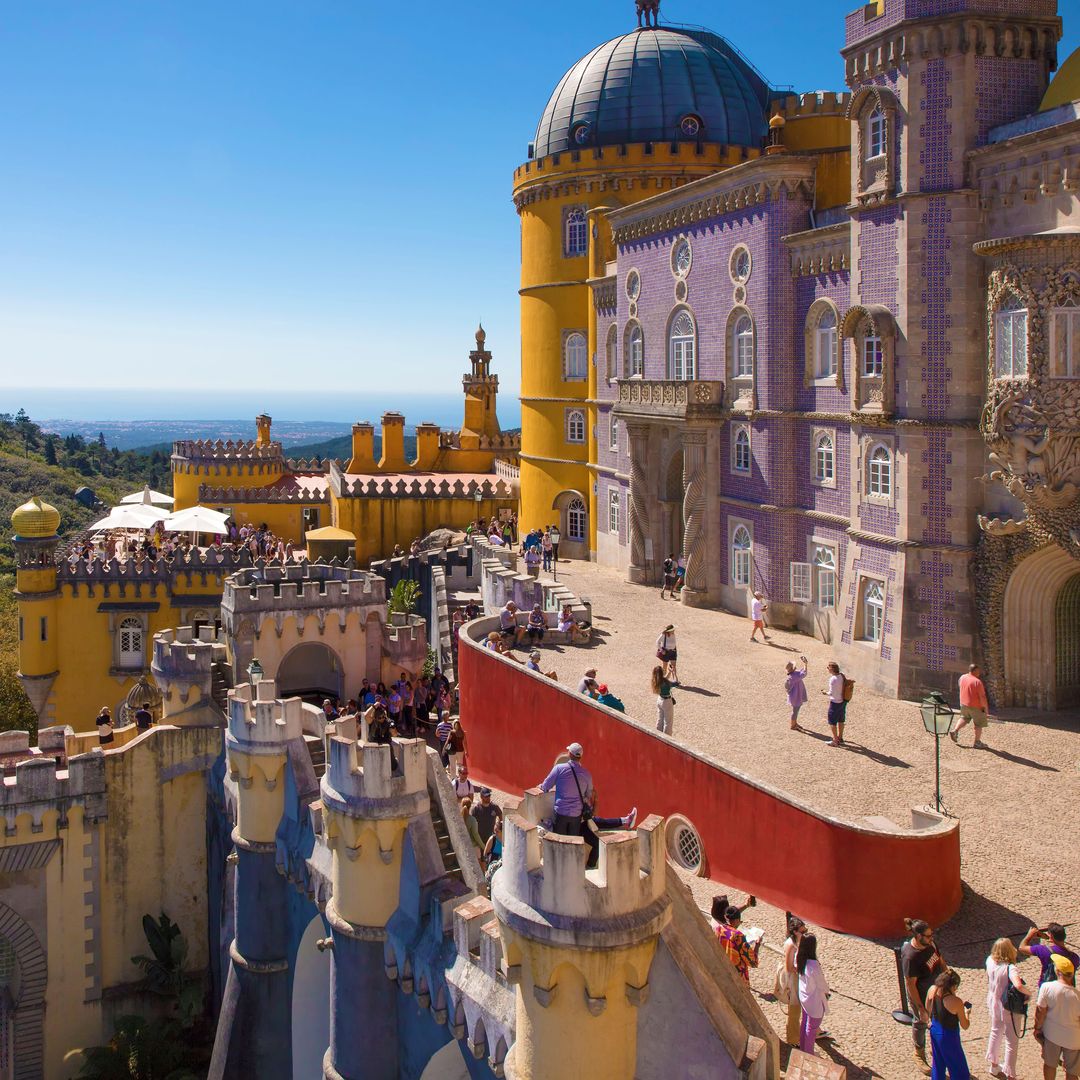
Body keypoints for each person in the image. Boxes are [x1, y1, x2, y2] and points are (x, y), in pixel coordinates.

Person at [903, 918, 948, 1075]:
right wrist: (920, 1008)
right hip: (921, 996)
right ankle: (918, 1053)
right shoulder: (911, 957)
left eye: (931, 934)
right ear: (918, 936)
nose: (931, 938)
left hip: (936, 991)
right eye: (928, 936)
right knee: (920, 1023)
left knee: (938, 1019)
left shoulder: (931, 944)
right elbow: (910, 984)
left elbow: (940, 960)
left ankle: (936, 1048)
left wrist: (947, 976)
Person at [985, 936, 1031, 1080]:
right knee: (1012, 1041)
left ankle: (993, 1065)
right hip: (1007, 1006)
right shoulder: (1010, 968)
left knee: (995, 1031)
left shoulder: (989, 961)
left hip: (993, 1001)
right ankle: (1010, 1073)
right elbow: (1018, 985)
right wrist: (1029, 993)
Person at [1034, 954, 1080, 1080]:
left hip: (1052, 1035)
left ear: (1058, 971)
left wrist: (1037, 1028)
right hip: (1073, 1039)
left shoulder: (1047, 987)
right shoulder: (1077, 995)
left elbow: (1040, 1011)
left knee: (1050, 1065)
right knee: (1072, 1071)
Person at [539, 742, 594, 837]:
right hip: (577, 815)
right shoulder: (587, 774)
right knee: (573, 842)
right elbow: (589, 795)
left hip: (561, 813)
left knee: (559, 841)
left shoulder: (559, 769)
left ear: (570, 754)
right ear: (580, 757)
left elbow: (546, 786)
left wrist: (540, 787)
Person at [926, 969, 971, 1079]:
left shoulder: (932, 989)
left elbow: (928, 1008)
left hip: (935, 1031)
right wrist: (967, 1013)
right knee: (959, 1068)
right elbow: (965, 1025)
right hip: (949, 1036)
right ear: (953, 985)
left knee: (938, 1065)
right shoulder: (956, 1001)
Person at [713, 897, 760, 983]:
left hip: (723, 971)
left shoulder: (719, 929)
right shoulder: (738, 935)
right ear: (737, 920)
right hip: (737, 976)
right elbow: (752, 962)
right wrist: (757, 945)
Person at [797, 933, 830, 1053]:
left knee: (805, 1022)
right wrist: (827, 992)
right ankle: (808, 1053)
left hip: (804, 996)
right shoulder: (813, 965)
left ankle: (803, 1047)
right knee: (812, 1027)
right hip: (814, 999)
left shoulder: (799, 957)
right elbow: (821, 983)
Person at [780, 917, 807, 1046]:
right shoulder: (791, 945)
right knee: (794, 1012)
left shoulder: (798, 940)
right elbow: (789, 967)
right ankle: (792, 1039)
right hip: (793, 981)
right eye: (802, 931)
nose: (805, 933)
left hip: (798, 979)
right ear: (795, 931)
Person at [951, 663, 991, 748]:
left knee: (964, 718)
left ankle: (955, 731)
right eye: (978, 671)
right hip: (976, 706)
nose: (979, 673)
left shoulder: (962, 677)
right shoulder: (977, 682)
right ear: (975, 671)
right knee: (979, 724)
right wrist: (985, 709)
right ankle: (977, 742)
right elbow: (982, 697)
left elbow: (961, 686)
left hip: (964, 703)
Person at [822, 661, 847, 747]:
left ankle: (835, 740)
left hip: (835, 703)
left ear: (832, 669)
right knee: (841, 720)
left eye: (828, 667)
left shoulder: (833, 679)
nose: (827, 669)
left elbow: (831, 692)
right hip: (842, 702)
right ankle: (840, 738)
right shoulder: (841, 676)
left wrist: (825, 693)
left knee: (832, 722)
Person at [785, 656, 809, 732]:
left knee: (795, 710)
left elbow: (801, 673)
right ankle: (793, 725)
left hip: (794, 696)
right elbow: (804, 673)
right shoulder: (795, 676)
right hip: (796, 697)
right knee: (795, 711)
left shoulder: (792, 675)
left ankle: (795, 723)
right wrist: (805, 664)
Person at [652, 665, 674, 735]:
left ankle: (658, 734)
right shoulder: (665, 682)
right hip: (666, 701)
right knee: (668, 722)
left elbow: (665, 679)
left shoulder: (656, 681)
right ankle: (667, 738)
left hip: (660, 699)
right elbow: (674, 683)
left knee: (660, 719)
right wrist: (673, 673)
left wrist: (670, 672)